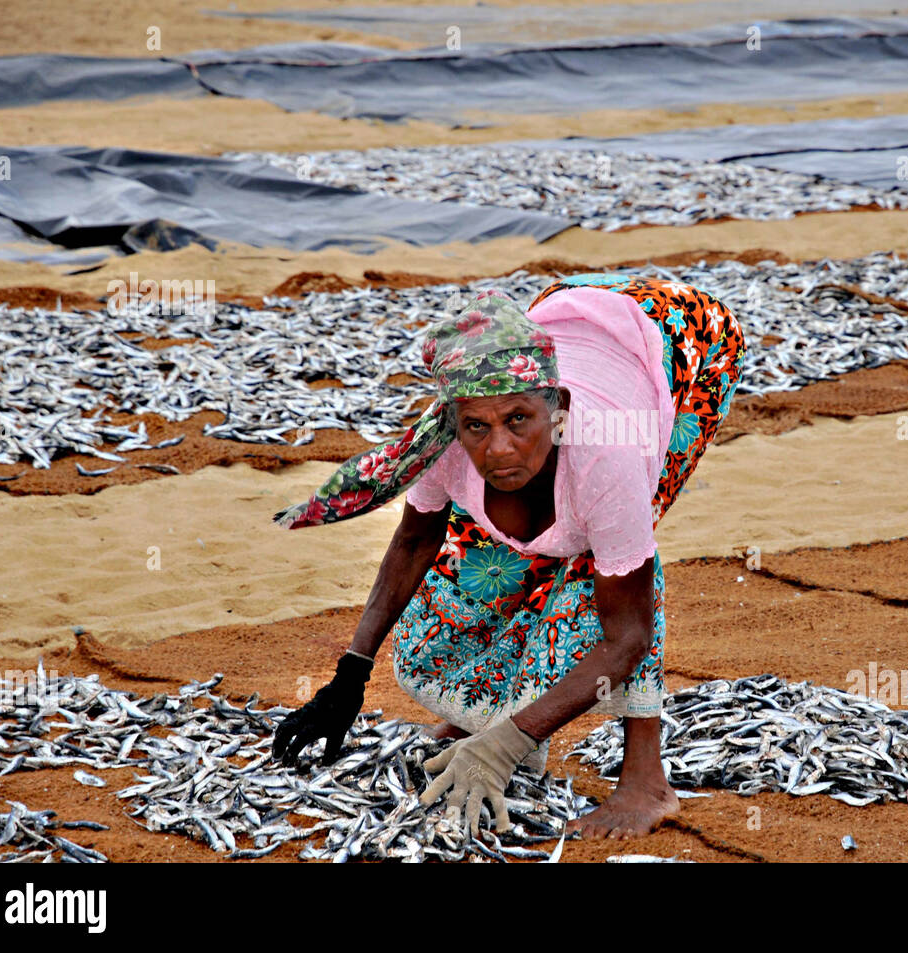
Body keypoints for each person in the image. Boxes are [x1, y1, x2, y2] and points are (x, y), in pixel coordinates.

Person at [270, 272, 745, 839]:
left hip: (686, 340)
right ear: (455, 423)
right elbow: (415, 541)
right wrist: (350, 675)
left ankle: (646, 778)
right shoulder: (446, 443)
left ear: (558, 407)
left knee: (617, 569)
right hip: (565, 309)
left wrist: (507, 745)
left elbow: (630, 633)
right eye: (477, 426)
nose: (498, 448)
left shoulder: (608, 458)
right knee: (479, 563)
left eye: (518, 420)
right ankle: (482, 717)